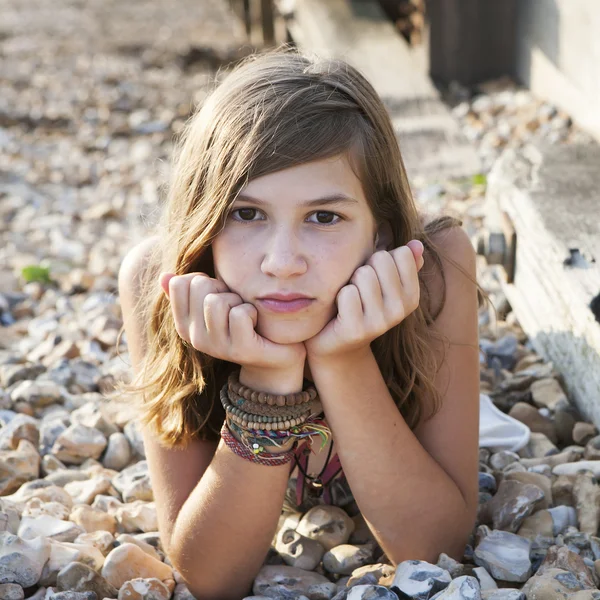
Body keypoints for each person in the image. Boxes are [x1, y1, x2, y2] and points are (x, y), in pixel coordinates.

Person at [116, 46, 484, 600]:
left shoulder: (434, 269)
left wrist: (342, 358)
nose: (282, 261)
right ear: (203, 220)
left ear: (380, 232)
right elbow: (212, 576)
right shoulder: (158, 281)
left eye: (324, 216)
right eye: (246, 213)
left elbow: (433, 547)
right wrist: (266, 381)